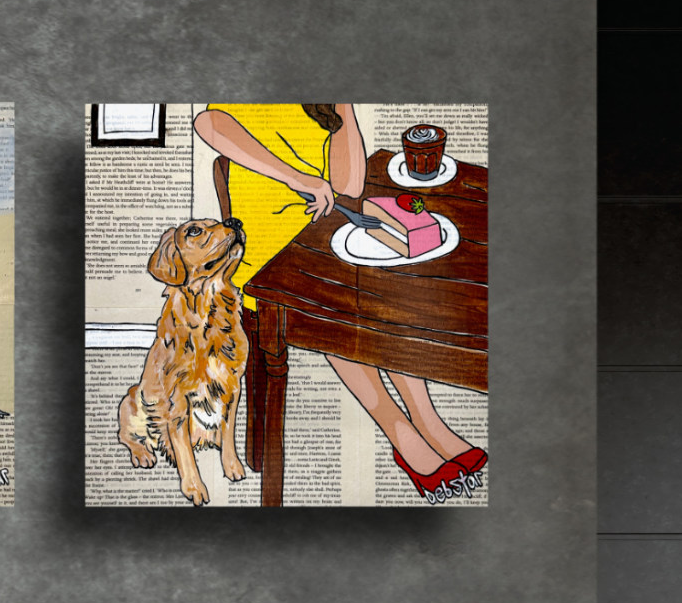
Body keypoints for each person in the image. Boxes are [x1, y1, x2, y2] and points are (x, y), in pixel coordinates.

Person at [191, 105, 486, 499]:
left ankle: (428, 420)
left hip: (321, 227)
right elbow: (208, 123)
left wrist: (342, 105)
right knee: (343, 302)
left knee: (386, 286)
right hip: (267, 249)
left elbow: (349, 187)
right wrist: (298, 178)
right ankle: (401, 433)